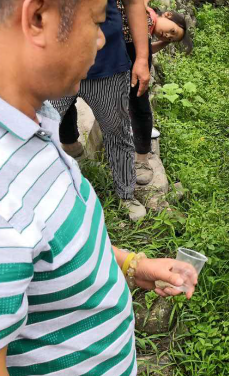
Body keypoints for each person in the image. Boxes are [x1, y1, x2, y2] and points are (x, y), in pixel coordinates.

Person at [0, 1, 198, 376]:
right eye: (96, 22)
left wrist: (131, 265)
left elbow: (43, 243)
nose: (101, 40)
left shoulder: (27, 117)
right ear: (38, 17)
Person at [51, 0, 151, 221]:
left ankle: (125, 193)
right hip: (53, 65)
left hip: (108, 64)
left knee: (118, 131)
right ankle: (45, 200)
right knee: (38, 133)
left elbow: (134, 3)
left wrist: (142, 58)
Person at [117, 0, 193, 184]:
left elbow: (145, 47)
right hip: (113, 52)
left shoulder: (148, 30)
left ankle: (141, 157)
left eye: (170, 38)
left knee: (139, 104)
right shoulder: (147, 13)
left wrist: (163, 43)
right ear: (167, 15)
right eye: (172, 31)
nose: (167, 35)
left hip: (131, 59)